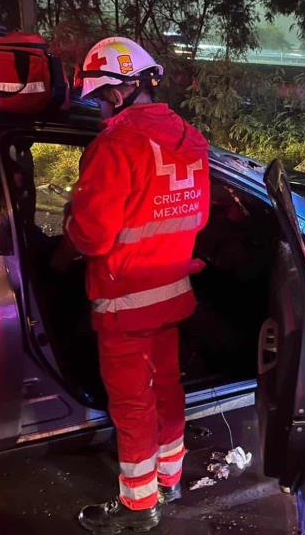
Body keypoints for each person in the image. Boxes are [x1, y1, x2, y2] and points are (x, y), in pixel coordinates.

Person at [65, 37, 210, 532]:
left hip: (124, 302)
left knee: (131, 403)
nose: (101, 109)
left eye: (101, 99)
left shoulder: (115, 146)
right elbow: (198, 215)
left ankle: (138, 506)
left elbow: (92, 236)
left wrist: (69, 221)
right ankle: (170, 478)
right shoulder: (190, 139)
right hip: (171, 293)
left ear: (120, 91)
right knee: (167, 389)